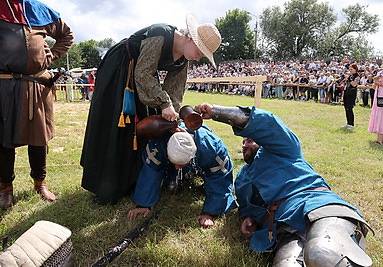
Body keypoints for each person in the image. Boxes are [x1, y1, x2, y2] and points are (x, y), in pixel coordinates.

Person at [195, 103, 373, 266]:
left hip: (316, 207)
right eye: (243, 142)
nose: (244, 145)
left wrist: (217, 112)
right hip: (284, 230)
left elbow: (267, 125)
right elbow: (246, 207)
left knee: (322, 253)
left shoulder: (283, 149)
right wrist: (247, 218)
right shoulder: (242, 177)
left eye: (250, 140)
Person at [80, 14, 221, 204]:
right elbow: (144, 73)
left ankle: (131, 183)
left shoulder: (183, 60)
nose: (199, 57)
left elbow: (174, 93)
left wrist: (172, 121)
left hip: (141, 78)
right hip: (120, 68)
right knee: (116, 124)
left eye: (203, 54)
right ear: (190, 38)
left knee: (141, 128)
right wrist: (164, 104)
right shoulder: (160, 34)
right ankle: (105, 187)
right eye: (200, 50)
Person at [0, 0, 74, 209]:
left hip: (37, 85)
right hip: (4, 86)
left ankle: (40, 183)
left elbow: (66, 35)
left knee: (39, 138)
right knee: (3, 139)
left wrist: (52, 56)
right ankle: (5, 187)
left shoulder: (37, 9)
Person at [127, 122, 237, 227]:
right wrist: (143, 204)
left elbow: (220, 178)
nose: (177, 167)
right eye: (175, 163)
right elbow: (150, 171)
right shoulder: (158, 145)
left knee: (216, 183)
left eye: (181, 164)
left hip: (203, 157)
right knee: (171, 185)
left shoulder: (213, 149)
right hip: (167, 153)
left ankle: (197, 173)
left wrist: (210, 213)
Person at [342, 63, 360, 130]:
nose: (350, 70)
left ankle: (351, 124)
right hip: (347, 91)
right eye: (349, 69)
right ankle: (348, 123)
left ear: (355, 69)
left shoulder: (357, 76)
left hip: (352, 92)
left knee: (350, 108)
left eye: (351, 69)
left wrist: (349, 79)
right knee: (346, 107)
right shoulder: (351, 76)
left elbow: (354, 84)